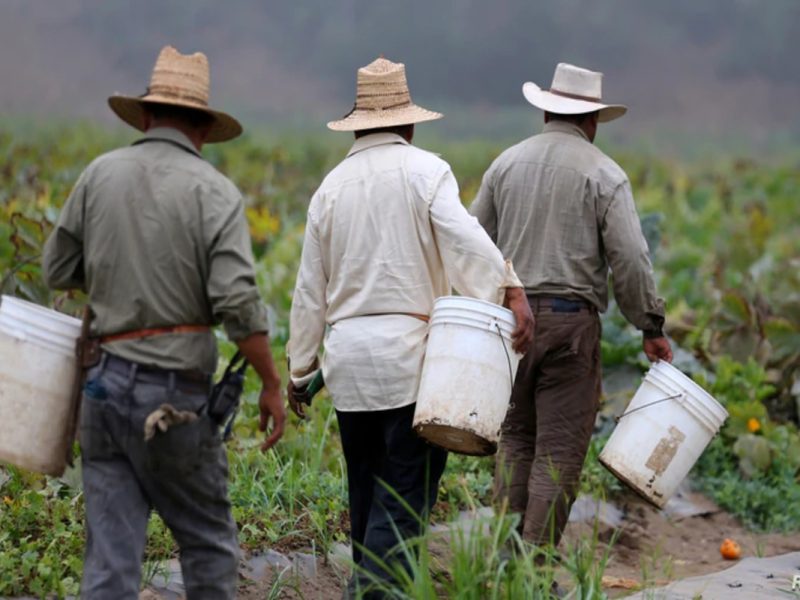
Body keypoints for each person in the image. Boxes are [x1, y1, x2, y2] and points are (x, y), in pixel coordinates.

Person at [42, 46, 285, 599]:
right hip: (172, 400)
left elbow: (58, 268)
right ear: (202, 129)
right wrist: (271, 385)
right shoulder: (215, 193)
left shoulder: (99, 174)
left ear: (146, 118)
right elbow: (240, 308)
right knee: (206, 545)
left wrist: (118, 278)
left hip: (101, 391)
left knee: (110, 560)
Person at [287, 56, 534, 597]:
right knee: (402, 503)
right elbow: (464, 239)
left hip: (349, 364)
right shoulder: (427, 172)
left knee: (367, 496)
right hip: (410, 362)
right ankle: (371, 594)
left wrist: (300, 370)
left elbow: (310, 289)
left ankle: (375, 588)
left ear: (357, 123)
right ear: (408, 122)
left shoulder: (328, 189)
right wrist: (508, 288)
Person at [470, 63, 673, 551]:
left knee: (516, 438)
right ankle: (535, 571)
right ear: (593, 121)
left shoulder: (505, 163)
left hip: (509, 324)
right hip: (569, 326)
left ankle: (503, 561)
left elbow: (473, 240)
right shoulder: (605, 174)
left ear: (546, 110)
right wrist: (649, 324)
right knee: (557, 451)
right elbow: (629, 258)